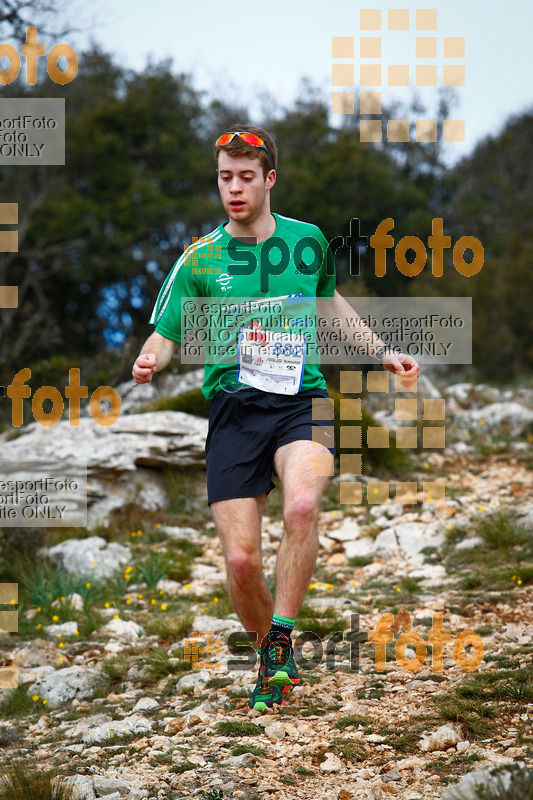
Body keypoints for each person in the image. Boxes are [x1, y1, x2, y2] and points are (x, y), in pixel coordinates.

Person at [132, 123, 420, 711]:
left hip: (300, 402)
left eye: (244, 177)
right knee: (241, 560)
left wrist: (382, 350)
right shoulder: (199, 259)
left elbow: (332, 305)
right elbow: (165, 332)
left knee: (304, 505)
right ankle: (272, 655)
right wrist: (149, 360)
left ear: (269, 179)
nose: (233, 189)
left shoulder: (306, 243)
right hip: (234, 411)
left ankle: (283, 633)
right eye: (224, 178)